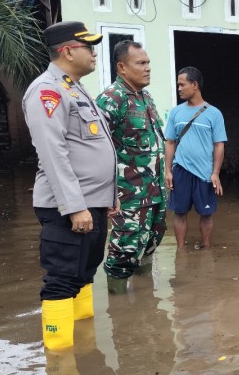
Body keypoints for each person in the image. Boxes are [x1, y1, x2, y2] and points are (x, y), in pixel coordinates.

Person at [22, 21, 117, 350]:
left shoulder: (75, 88)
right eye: (88, 47)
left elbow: (94, 148)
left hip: (91, 203)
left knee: (85, 273)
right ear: (67, 51)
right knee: (62, 280)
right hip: (67, 207)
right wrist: (75, 206)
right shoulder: (47, 91)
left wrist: (109, 196)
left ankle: (86, 353)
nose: (93, 54)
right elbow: (53, 154)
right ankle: (61, 370)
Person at [96, 41, 166, 292]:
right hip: (128, 195)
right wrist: (106, 193)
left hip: (154, 192)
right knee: (124, 250)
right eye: (141, 63)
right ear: (122, 67)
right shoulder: (111, 99)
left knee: (149, 244)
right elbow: (96, 149)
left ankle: (144, 305)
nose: (148, 68)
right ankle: (119, 310)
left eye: (148, 63)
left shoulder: (145, 98)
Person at [163, 67, 227, 249]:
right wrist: (168, 170)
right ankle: (180, 251)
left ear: (195, 84)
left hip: (204, 173)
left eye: (182, 84)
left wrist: (215, 173)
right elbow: (170, 142)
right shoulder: (176, 112)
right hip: (181, 171)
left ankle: (206, 248)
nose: (179, 88)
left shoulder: (214, 113)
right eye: (178, 85)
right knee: (179, 212)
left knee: (206, 214)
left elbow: (219, 145)